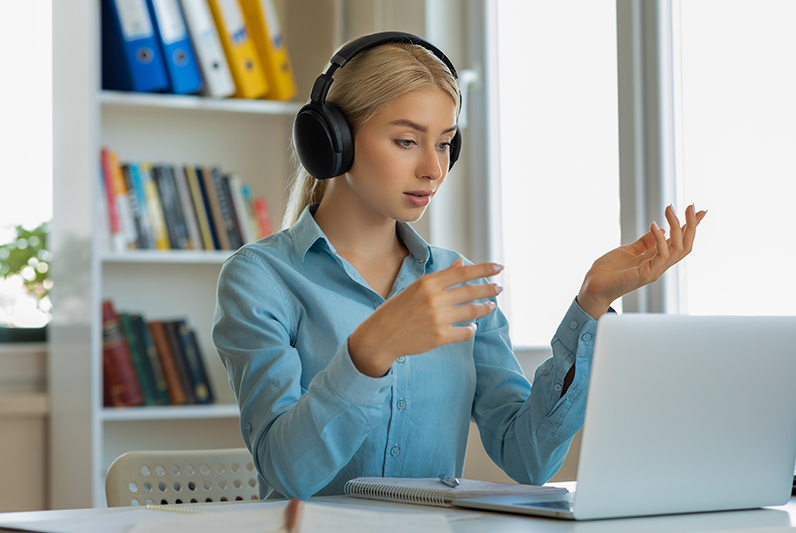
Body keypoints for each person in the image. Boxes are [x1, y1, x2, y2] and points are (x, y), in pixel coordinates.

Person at [212, 32, 707, 501]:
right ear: (332, 141)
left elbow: (527, 458)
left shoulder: (458, 281)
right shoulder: (262, 278)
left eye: (445, 142)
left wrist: (591, 304)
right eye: (407, 141)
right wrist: (369, 352)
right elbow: (288, 472)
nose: (433, 167)